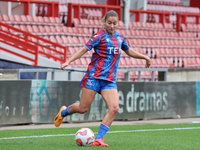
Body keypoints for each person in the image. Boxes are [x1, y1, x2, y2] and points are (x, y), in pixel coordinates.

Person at [54, 10, 151, 147]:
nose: (112, 26)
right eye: (109, 23)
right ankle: (64, 111)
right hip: (94, 77)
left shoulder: (119, 38)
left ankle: (98, 139)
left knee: (114, 108)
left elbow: (128, 51)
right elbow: (83, 50)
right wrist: (68, 61)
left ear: (118, 24)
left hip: (109, 80)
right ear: (104, 22)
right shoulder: (98, 36)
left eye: (114, 23)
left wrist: (145, 57)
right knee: (83, 108)